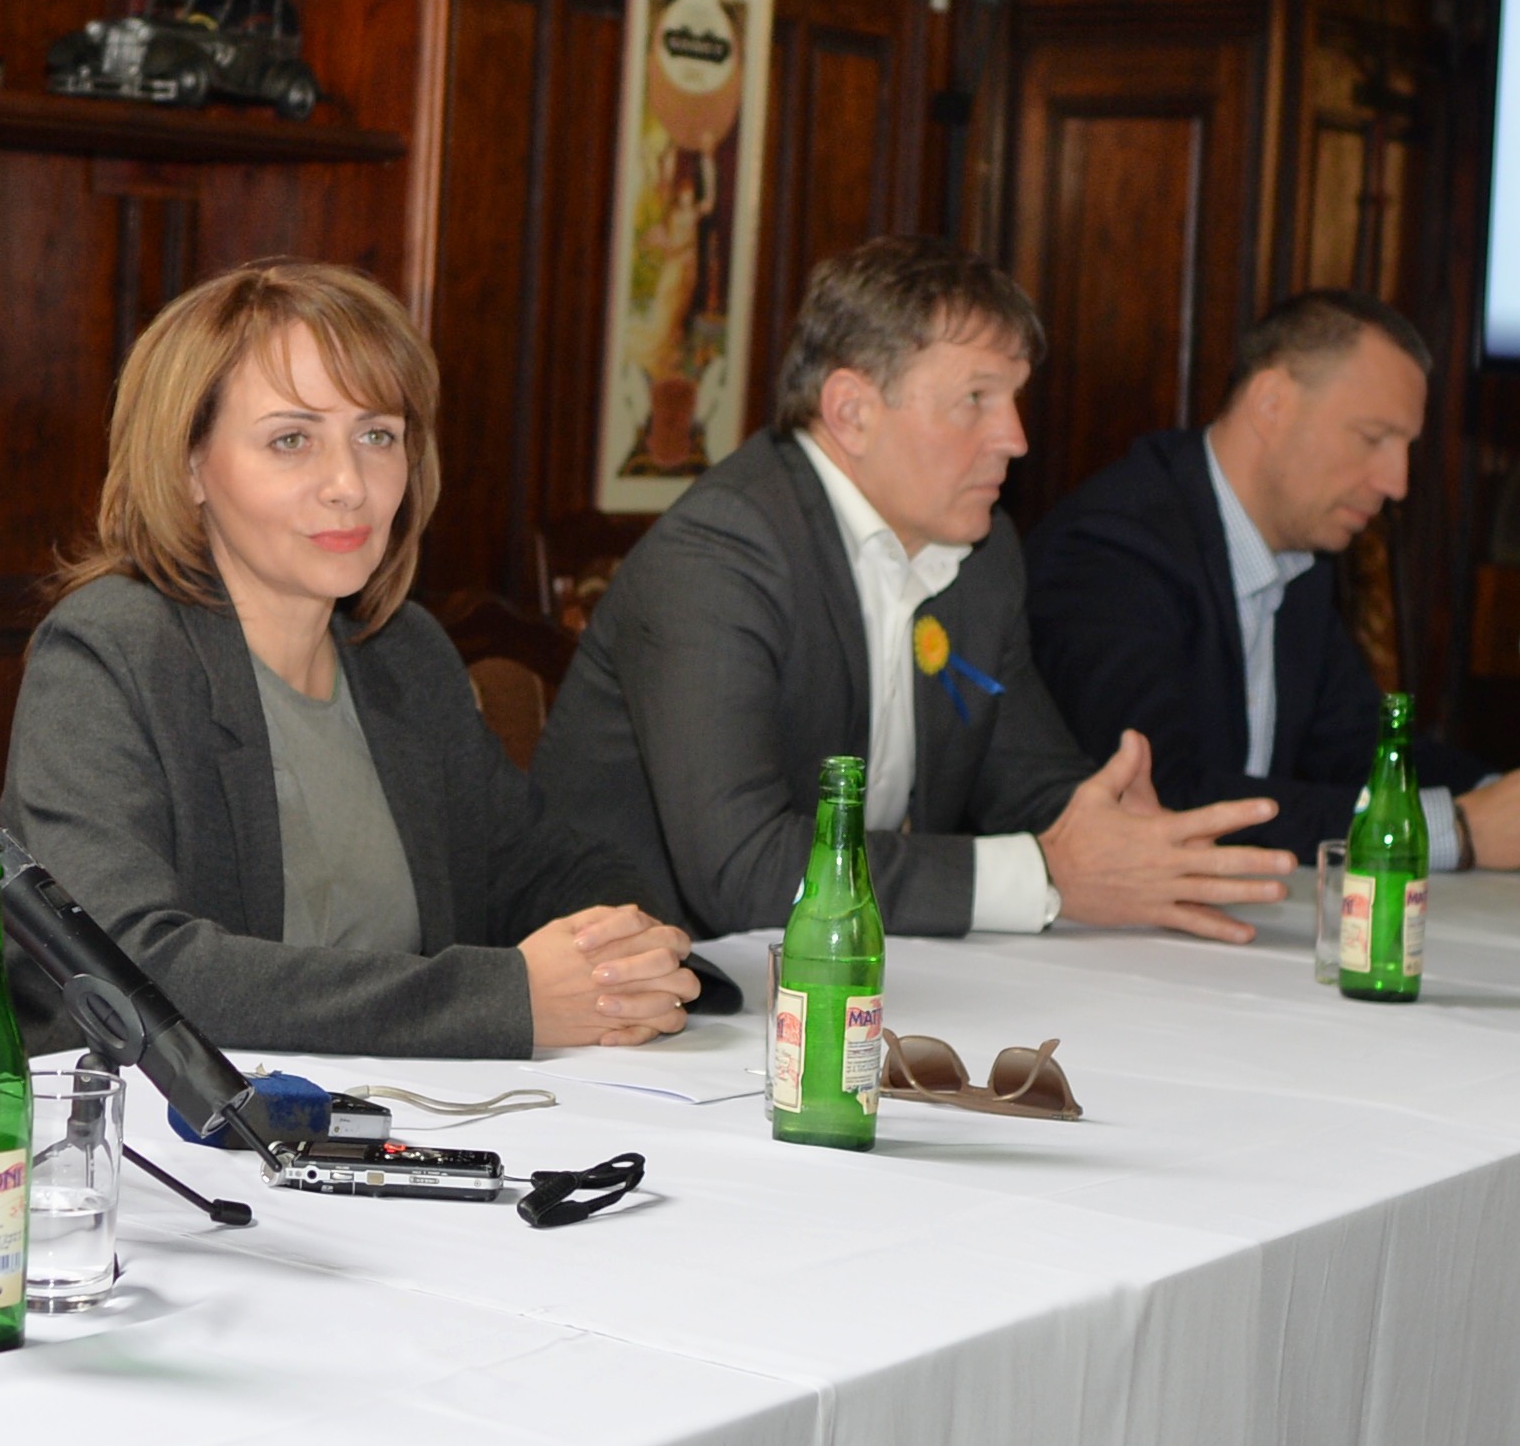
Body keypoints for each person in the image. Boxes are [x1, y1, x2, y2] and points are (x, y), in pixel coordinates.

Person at [5, 260, 713, 1054]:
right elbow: (131, 968)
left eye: (377, 435)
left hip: (394, 1121)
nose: (349, 483)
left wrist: (618, 955)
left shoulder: (403, 653)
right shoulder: (108, 653)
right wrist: (504, 998)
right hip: (137, 1144)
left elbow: (548, 871)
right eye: (292, 440)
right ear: (190, 465)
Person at [534, 235, 1294, 938]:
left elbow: (1027, 779)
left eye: (1016, 398)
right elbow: (743, 869)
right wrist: (1046, 873)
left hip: (841, 976)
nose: (1016, 438)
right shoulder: (721, 554)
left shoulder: (981, 550)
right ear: (853, 412)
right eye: (977, 400)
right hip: (647, 1003)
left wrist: (1123, 838)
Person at [1035, 286, 1520, 865]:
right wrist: (1453, 829)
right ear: (1271, 405)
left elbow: (1354, 748)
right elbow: (1164, 797)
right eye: (1373, 437)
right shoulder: (1114, 548)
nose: (1397, 483)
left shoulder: (1300, 553)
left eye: (1405, 447)